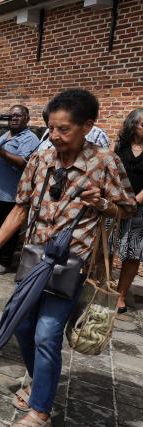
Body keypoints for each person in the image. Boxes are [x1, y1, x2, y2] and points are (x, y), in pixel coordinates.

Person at [0, 89, 135, 427]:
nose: (55, 137)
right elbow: (20, 209)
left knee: (47, 333)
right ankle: (38, 376)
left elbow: (128, 208)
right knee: (21, 325)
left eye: (63, 129)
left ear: (87, 126)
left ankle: (40, 409)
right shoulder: (41, 160)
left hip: (72, 266)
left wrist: (102, 203)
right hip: (33, 260)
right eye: (51, 129)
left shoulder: (106, 162)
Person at [0, 105, 40, 274]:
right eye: (11, 116)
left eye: (18, 116)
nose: (14, 118)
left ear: (27, 118)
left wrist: (0, 151)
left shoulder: (30, 138)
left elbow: (25, 163)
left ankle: (5, 261)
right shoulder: (6, 135)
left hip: (11, 194)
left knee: (8, 230)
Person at [112, 108, 143, 314]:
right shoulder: (119, 145)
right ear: (133, 125)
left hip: (140, 209)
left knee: (133, 254)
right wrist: (117, 198)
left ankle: (121, 295)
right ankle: (101, 288)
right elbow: (110, 171)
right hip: (115, 205)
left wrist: (135, 200)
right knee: (105, 248)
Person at [38, 108, 110, 151]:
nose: (53, 136)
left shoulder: (97, 134)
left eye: (63, 129)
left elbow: (102, 162)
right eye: (50, 127)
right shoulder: (48, 132)